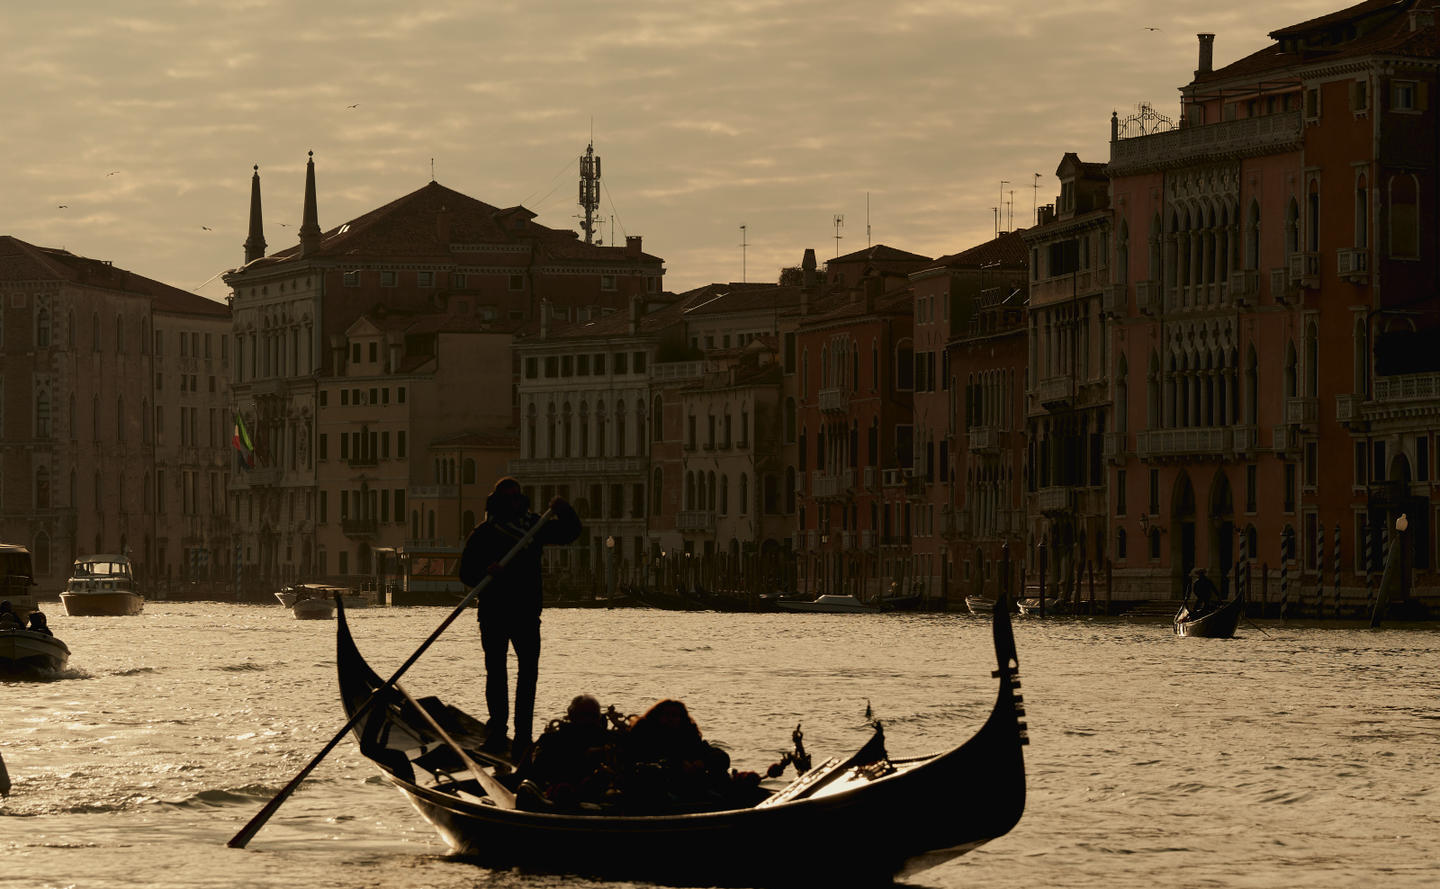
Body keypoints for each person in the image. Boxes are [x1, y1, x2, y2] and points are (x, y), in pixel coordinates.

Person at [458, 477, 581, 762]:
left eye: (517, 497)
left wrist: (565, 509)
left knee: (528, 675)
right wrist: (485, 571)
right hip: (493, 611)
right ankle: (498, 732)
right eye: (508, 499)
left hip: (526, 612)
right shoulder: (484, 533)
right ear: (498, 502)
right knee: (496, 673)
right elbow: (465, 573)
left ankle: (522, 738)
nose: (514, 503)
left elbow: (570, 532)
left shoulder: (535, 528)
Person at [516, 694, 621, 809]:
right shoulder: (612, 740)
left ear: (571, 716)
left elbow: (529, 774)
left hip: (560, 800)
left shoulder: (549, 739)